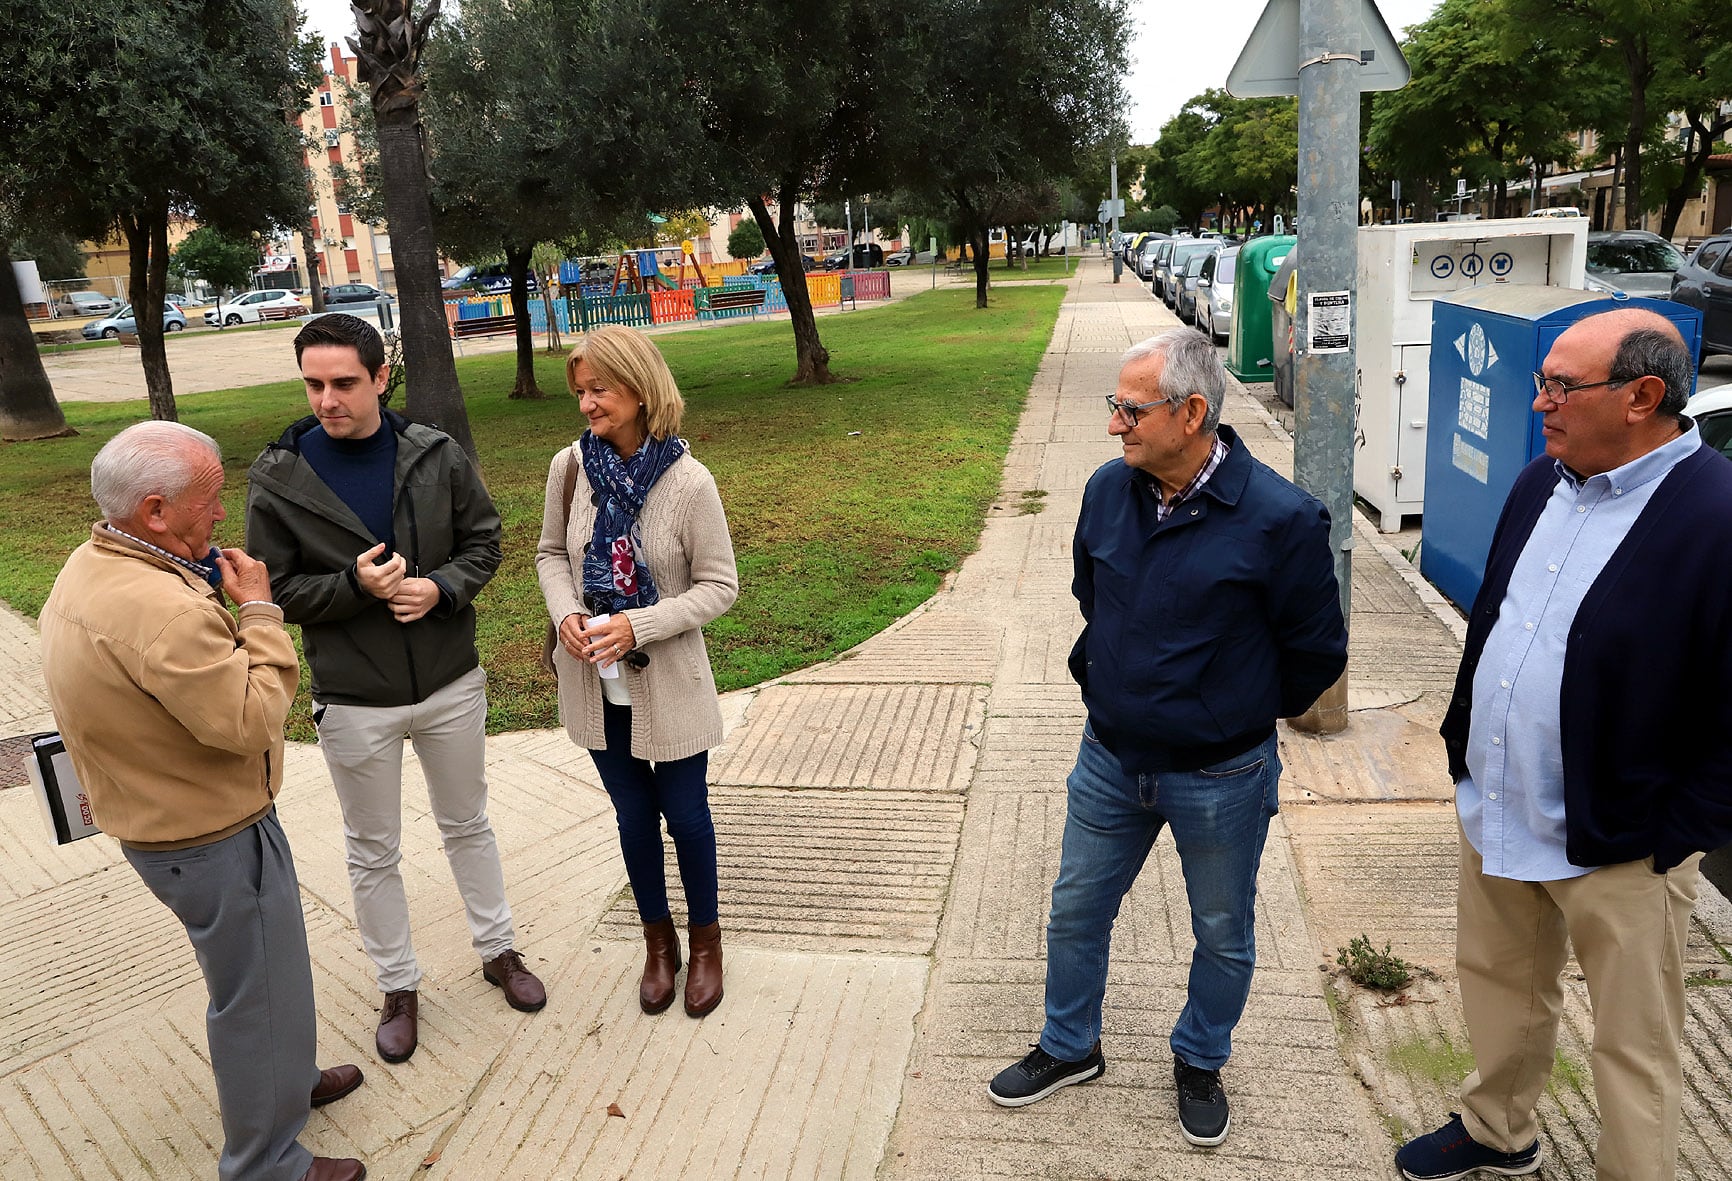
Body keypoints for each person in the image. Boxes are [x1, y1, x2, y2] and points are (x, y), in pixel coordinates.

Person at [987, 328, 1348, 1147]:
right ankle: (1069, 1044)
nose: (1115, 424)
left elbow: (1316, 651)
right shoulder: (1108, 491)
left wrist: (1233, 713)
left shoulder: (1281, 519)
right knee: (1076, 908)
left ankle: (1199, 1056)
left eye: (1130, 408)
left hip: (1222, 774)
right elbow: (1092, 595)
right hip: (1111, 756)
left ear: (1192, 413)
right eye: (1115, 405)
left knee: (1223, 931)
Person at [1397, 308, 1732, 1181]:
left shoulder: (1717, 514)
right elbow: (1496, 627)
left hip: (1626, 840)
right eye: (1542, 380)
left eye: (1559, 386)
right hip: (1500, 805)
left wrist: (1680, 828)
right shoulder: (1539, 480)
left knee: (1636, 1042)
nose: (1538, 401)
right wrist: (1467, 749)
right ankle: (1496, 1127)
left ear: (1642, 396)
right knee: (1502, 988)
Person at [38, 422, 366, 1181]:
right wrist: (257, 609)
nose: (222, 514)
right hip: (210, 834)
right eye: (210, 498)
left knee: (271, 979)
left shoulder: (96, 564)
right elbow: (250, 717)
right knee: (253, 997)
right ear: (155, 510)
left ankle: (285, 1082)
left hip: (168, 820)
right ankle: (266, 1161)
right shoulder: (165, 611)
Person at [246, 313, 544, 1067]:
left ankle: (498, 949)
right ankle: (398, 986)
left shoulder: (435, 454)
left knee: (467, 822)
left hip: (448, 681)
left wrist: (439, 588)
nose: (326, 399)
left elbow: (486, 541)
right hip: (353, 699)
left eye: (344, 382)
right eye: (313, 383)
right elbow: (270, 591)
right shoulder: (280, 476)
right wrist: (354, 586)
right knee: (372, 850)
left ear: (382, 377)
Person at [536, 324, 739, 1018]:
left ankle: (705, 942)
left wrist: (637, 625)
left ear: (642, 389)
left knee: (685, 816)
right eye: (580, 392)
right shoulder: (570, 468)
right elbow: (549, 556)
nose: (587, 404)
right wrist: (567, 612)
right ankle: (659, 943)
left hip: (669, 681)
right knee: (632, 816)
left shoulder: (689, 482)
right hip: (593, 678)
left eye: (600, 389)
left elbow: (720, 586)